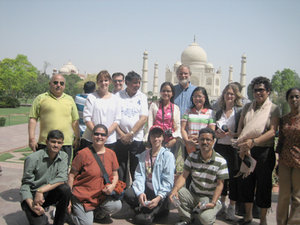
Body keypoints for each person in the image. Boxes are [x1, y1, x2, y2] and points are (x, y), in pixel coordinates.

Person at [236, 76, 280, 225]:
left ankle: (262, 219)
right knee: (247, 183)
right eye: (255, 90)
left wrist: (253, 142)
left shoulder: (273, 108)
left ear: (268, 91)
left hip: (264, 153)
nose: (258, 93)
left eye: (261, 90)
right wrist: (242, 141)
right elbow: (241, 128)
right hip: (247, 152)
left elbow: (272, 131)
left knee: (263, 186)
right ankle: (248, 216)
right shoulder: (248, 107)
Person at [170, 128, 229, 225]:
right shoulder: (192, 156)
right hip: (194, 194)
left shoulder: (221, 161)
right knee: (178, 192)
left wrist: (213, 202)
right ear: (198, 141)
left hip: (209, 198)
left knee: (205, 219)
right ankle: (186, 218)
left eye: (208, 140)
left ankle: (208, 212)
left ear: (213, 141)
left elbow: (220, 185)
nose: (205, 142)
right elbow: (183, 176)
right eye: (202, 139)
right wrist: (174, 189)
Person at [117, 125, 175, 224]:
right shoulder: (144, 154)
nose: (156, 139)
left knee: (142, 220)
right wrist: (140, 192)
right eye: (153, 136)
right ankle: (143, 207)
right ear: (149, 138)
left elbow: (168, 181)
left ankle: (156, 210)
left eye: (159, 136)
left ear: (162, 138)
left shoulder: (168, 156)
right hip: (146, 190)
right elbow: (139, 175)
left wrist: (159, 197)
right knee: (128, 193)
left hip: (160, 194)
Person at [68, 124, 122, 225]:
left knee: (117, 205)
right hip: (83, 197)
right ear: (92, 136)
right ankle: (67, 215)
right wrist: (68, 199)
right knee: (86, 224)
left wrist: (112, 185)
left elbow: (115, 174)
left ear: (106, 137)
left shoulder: (111, 154)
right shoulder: (82, 154)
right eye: (96, 134)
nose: (99, 137)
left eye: (102, 135)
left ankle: (97, 214)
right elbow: (71, 176)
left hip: (100, 196)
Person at [20, 130, 71, 225]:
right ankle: (33, 210)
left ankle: (59, 222)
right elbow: (25, 186)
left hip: (46, 193)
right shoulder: (33, 159)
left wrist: (41, 190)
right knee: (41, 223)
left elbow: (62, 178)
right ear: (47, 142)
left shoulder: (63, 156)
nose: (56, 145)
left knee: (65, 189)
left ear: (62, 144)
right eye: (53, 142)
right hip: (32, 197)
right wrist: (32, 205)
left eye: (59, 142)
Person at [28, 74, 80, 165]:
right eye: (55, 82)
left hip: (65, 143)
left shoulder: (70, 99)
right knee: (43, 172)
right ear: (50, 83)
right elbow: (33, 119)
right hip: (45, 143)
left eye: (61, 83)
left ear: (64, 86)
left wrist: (77, 137)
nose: (58, 85)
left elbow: (75, 120)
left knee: (62, 173)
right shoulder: (40, 98)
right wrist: (31, 139)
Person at [214, 83, 243, 220]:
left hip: (233, 148)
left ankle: (232, 206)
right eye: (227, 93)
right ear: (223, 95)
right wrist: (217, 134)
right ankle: (222, 205)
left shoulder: (239, 112)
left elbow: (242, 132)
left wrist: (232, 134)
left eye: (232, 94)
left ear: (236, 96)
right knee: (221, 177)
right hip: (220, 147)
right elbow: (214, 130)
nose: (229, 96)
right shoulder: (219, 112)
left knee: (233, 178)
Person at [115, 71, 148, 182]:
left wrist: (130, 134)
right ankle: (121, 194)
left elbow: (143, 118)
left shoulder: (142, 97)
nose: (137, 85)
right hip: (120, 138)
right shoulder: (117, 96)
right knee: (121, 168)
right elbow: (114, 118)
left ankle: (135, 195)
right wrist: (122, 135)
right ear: (127, 83)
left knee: (136, 169)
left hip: (136, 138)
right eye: (134, 83)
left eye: (139, 83)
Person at [80, 70, 121, 152]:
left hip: (109, 140)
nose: (103, 83)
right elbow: (87, 118)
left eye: (106, 80)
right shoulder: (91, 97)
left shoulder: (115, 99)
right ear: (97, 83)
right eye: (101, 81)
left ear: (110, 82)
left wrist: (106, 134)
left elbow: (117, 119)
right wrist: (98, 134)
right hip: (91, 139)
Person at [276, 87, 300, 225]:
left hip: (299, 162)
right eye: (291, 97)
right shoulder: (284, 119)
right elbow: (281, 141)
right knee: (283, 196)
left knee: (297, 197)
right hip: (285, 160)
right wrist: (278, 161)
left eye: (297, 96)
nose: (294, 99)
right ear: (288, 100)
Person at [144, 82, 181, 149]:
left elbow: (178, 126)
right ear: (160, 92)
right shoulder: (154, 106)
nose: (166, 93)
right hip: (156, 140)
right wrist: (149, 139)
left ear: (172, 93)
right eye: (163, 91)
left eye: (168, 91)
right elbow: (150, 123)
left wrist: (174, 139)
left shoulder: (175, 108)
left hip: (170, 141)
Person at [181, 86, 215, 154]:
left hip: (204, 144)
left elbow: (212, 130)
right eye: (195, 96)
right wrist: (187, 140)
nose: (197, 99)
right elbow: (182, 128)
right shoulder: (187, 112)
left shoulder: (210, 113)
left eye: (199, 96)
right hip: (190, 145)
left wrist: (199, 137)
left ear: (205, 98)